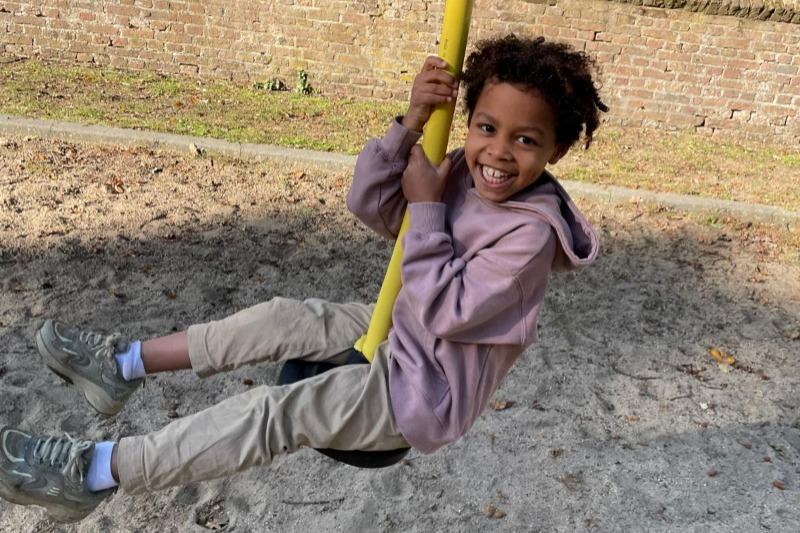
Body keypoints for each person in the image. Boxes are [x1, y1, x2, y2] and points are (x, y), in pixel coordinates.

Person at [0, 34, 606, 523]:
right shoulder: (459, 171)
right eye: (487, 128)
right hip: (401, 330)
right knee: (283, 317)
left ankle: (90, 473)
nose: (499, 152)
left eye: (526, 140)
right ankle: (123, 364)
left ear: (555, 151)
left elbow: (448, 309)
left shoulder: (530, 239)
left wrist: (426, 208)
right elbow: (372, 207)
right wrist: (411, 124)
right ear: (469, 121)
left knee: (275, 412)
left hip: (423, 390)